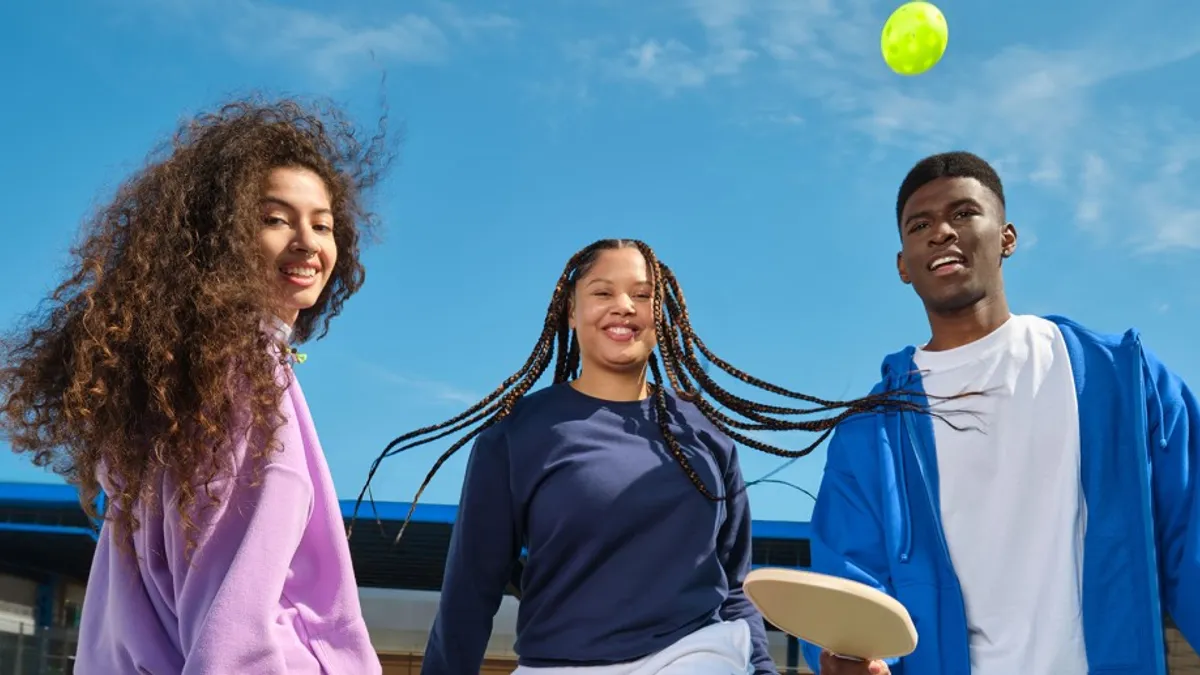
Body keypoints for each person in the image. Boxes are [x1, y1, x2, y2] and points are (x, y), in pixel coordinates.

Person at [354, 239, 933, 675]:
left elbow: (733, 588)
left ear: (664, 315)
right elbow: (470, 592)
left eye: (642, 295)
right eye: (602, 292)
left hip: (698, 654)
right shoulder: (516, 435)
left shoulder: (707, 433)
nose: (623, 306)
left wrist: (760, 669)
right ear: (571, 314)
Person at [0, 98, 391, 674]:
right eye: (275, 218)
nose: (309, 242)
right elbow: (233, 619)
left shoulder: (178, 383)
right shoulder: (244, 378)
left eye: (323, 223)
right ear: (217, 236)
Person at [802, 151, 1200, 675]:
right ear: (903, 264)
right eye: (919, 224)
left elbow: (1190, 542)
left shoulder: (1121, 379)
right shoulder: (870, 431)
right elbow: (850, 588)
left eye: (963, 214)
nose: (941, 231)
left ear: (1006, 237)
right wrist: (847, 656)